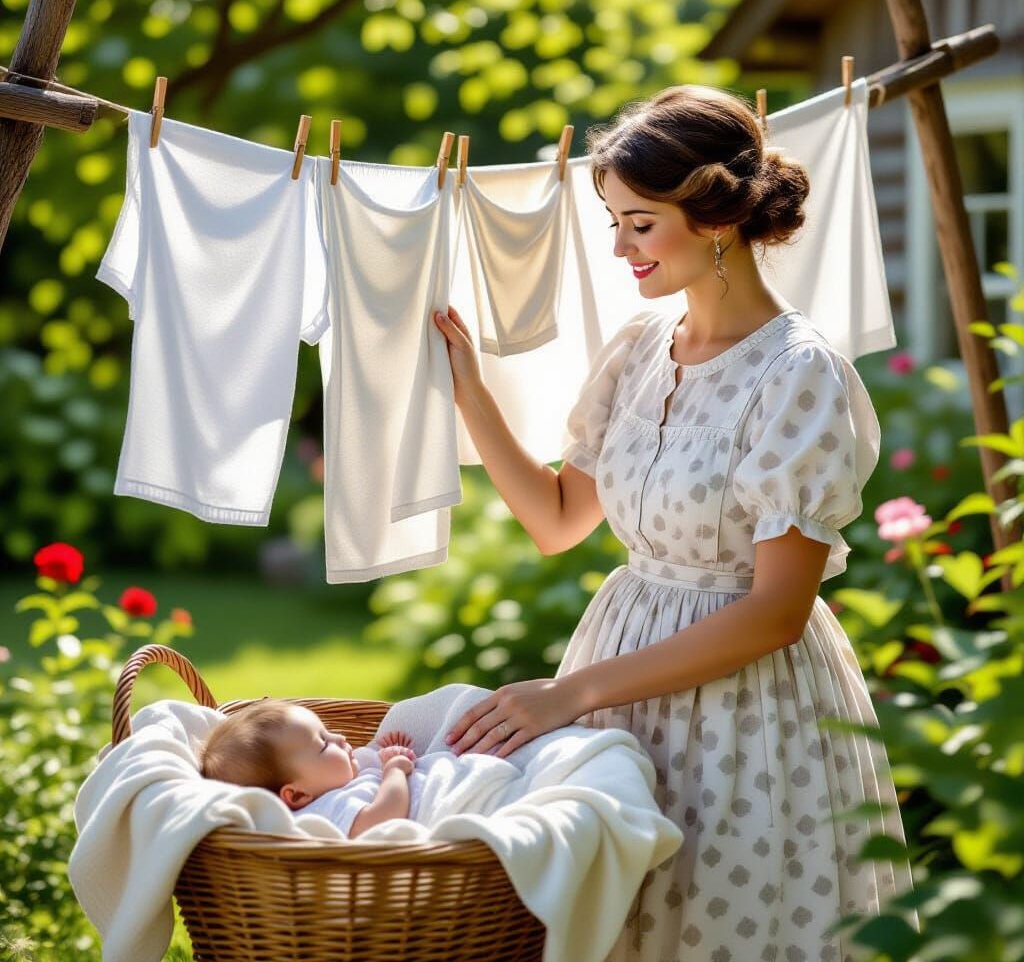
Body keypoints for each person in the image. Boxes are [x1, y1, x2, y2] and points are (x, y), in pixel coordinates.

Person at [432, 84, 917, 960]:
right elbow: (557, 520)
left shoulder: (799, 375)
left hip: (747, 718)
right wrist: (471, 393)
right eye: (614, 220)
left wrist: (569, 693)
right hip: (614, 688)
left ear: (716, 218)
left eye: (640, 224)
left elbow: (778, 612)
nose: (619, 246)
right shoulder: (638, 349)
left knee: (717, 925)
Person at [198, 698, 421, 839]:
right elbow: (381, 820)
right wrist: (395, 771)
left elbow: (367, 773)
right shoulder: (326, 809)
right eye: (324, 744)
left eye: (327, 731)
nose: (340, 737)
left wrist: (383, 751)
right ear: (297, 795)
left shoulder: (335, 780)